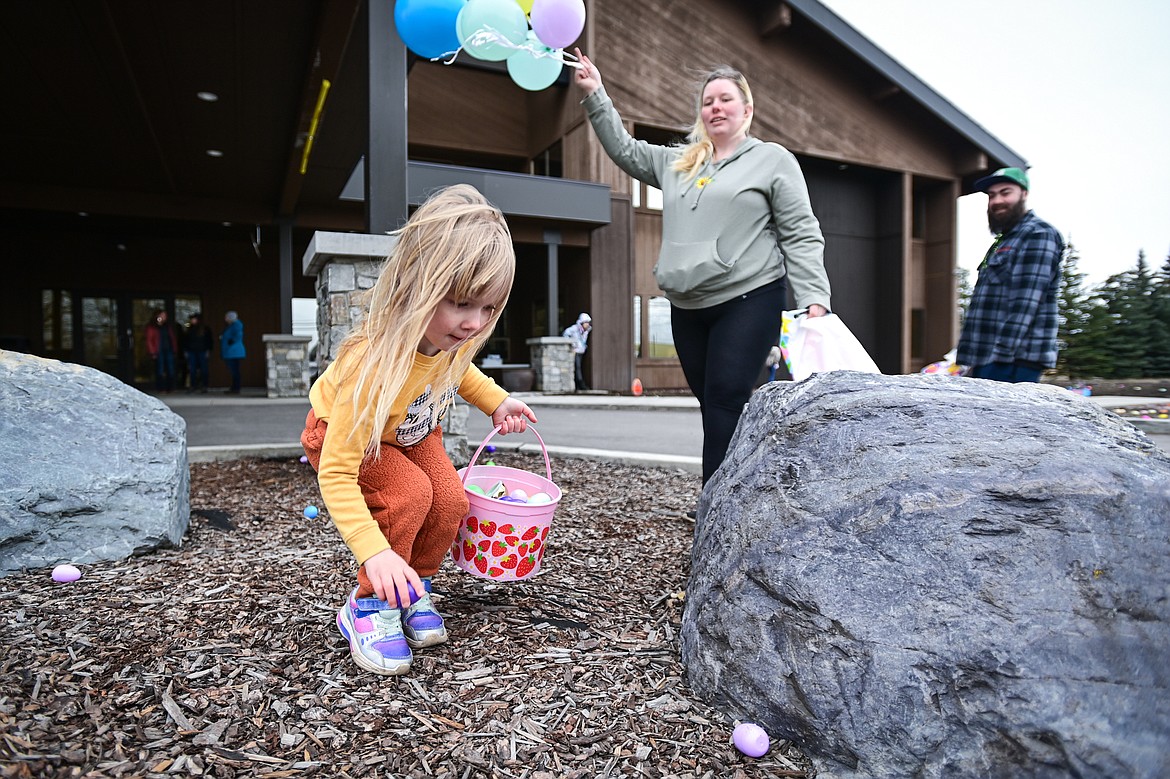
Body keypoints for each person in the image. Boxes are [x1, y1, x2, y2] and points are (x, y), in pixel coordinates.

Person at [299, 184, 537, 676]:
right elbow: (339, 476)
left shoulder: (446, 337)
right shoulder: (373, 364)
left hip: (406, 431)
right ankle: (368, 603)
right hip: (346, 435)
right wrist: (376, 553)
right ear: (416, 284)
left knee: (450, 499)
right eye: (462, 303)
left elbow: (461, 370)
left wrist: (497, 401)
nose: (474, 323)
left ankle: (413, 586)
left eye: (489, 309)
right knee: (408, 494)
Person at [573, 50, 832, 484]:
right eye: (708, 101)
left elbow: (800, 231)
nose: (716, 107)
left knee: (726, 400)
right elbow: (625, 150)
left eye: (726, 99)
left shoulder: (772, 160)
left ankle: (715, 507)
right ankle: (747, 488)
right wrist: (595, 93)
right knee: (712, 406)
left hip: (749, 297)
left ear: (746, 110)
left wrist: (814, 298)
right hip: (688, 305)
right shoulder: (680, 162)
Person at [957, 167, 1063, 383]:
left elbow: (1026, 301)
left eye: (1005, 193)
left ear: (1024, 194)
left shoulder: (1038, 234)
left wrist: (1000, 356)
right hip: (988, 357)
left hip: (1013, 360)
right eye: (991, 195)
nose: (996, 201)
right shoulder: (1005, 240)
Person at [143, 309, 178, 393]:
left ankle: (170, 388)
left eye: (165, 316)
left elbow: (172, 338)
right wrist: (152, 352)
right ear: (157, 316)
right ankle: (161, 388)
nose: (164, 317)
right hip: (158, 350)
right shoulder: (152, 327)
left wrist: (174, 349)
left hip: (168, 349)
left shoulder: (167, 326)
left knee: (170, 369)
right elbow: (149, 340)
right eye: (162, 315)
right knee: (160, 369)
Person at [183, 313, 214, 393]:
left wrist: (208, 350)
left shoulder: (205, 329)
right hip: (191, 351)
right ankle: (193, 386)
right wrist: (186, 350)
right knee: (192, 370)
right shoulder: (189, 329)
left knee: (204, 369)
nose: (192, 320)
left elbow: (209, 341)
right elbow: (185, 341)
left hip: (202, 351)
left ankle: (204, 386)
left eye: (193, 319)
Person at [562, 312, 593, 391]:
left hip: (581, 351)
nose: (587, 324)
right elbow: (565, 334)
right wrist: (572, 344)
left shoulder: (586, 330)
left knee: (579, 367)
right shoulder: (574, 329)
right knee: (577, 367)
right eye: (586, 322)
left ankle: (580, 384)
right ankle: (580, 384)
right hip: (575, 351)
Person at [220, 311, 246, 394]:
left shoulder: (236, 325)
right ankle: (234, 387)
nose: (225, 319)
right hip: (231, 351)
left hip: (233, 351)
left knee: (235, 370)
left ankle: (236, 388)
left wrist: (232, 341)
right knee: (234, 370)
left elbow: (238, 334)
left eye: (227, 317)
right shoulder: (232, 325)